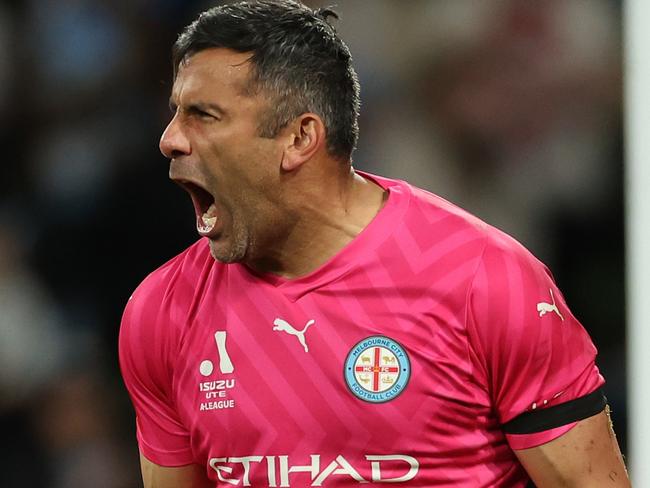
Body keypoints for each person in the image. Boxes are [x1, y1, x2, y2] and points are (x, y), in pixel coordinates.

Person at [118, 1, 630, 486]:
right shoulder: (163, 312)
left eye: (204, 115)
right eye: (176, 112)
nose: (170, 138)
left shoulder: (483, 281)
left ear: (299, 138)